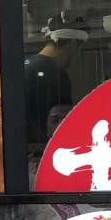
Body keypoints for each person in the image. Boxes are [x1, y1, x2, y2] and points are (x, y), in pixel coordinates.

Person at [23, 15, 88, 148]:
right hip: (43, 150)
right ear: (74, 44)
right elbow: (60, 122)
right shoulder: (54, 72)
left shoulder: (27, 65)